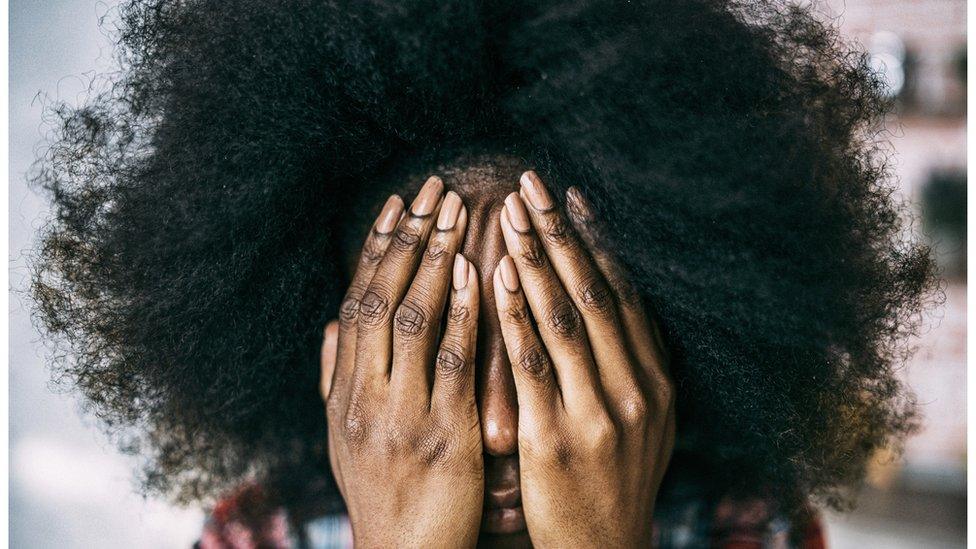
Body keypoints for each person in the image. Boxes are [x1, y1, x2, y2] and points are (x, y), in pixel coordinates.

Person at [30, 0, 935, 547]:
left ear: (657, 342)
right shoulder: (256, 531)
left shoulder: (760, 527)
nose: (500, 426)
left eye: (557, 335)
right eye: (431, 347)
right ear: (333, 370)